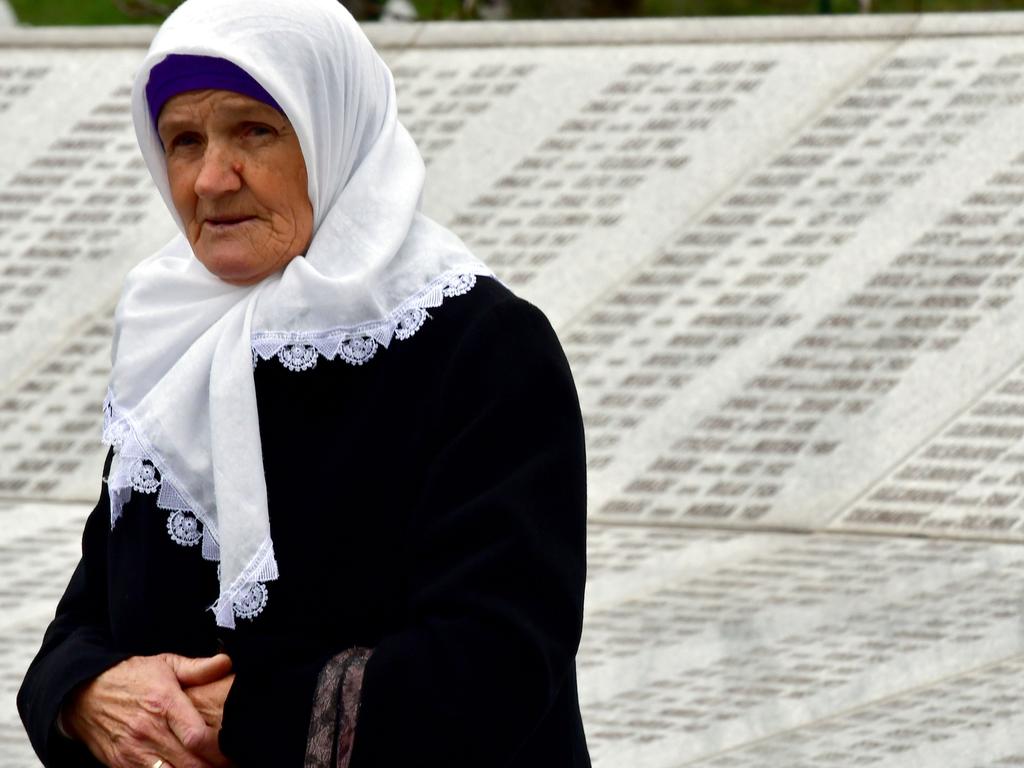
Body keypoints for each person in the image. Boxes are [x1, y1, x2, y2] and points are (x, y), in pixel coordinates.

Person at [17, 0, 591, 765]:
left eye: (255, 130)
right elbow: (89, 611)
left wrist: (250, 717)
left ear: (333, 133)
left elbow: (499, 664)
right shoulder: (173, 333)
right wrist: (86, 696)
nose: (213, 179)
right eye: (184, 141)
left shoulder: (476, 344)